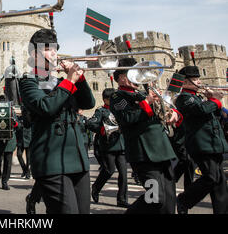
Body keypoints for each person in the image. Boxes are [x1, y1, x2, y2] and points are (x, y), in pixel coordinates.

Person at [19, 29, 95, 214]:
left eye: (55, 48)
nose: (54, 52)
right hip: (51, 159)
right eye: (47, 49)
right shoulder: (28, 81)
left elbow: (88, 103)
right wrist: (69, 81)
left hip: (78, 159)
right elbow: (46, 107)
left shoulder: (61, 81)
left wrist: (80, 79)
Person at [109, 58, 181, 214]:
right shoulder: (118, 97)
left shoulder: (143, 93)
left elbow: (165, 109)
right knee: (155, 198)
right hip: (144, 154)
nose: (139, 77)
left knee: (168, 203)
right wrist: (147, 103)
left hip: (162, 150)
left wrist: (173, 113)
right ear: (122, 77)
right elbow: (127, 118)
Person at [175, 65, 228, 214]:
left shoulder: (198, 97)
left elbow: (214, 116)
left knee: (220, 183)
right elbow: (200, 110)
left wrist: (215, 101)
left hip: (213, 143)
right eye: (194, 79)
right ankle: (184, 199)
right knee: (210, 177)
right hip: (201, 144)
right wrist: (214, 101)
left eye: (198, 78)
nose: (199, 82)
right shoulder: (183, 98)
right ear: (184, 82)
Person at [86, 88, 129, 208]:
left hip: (121, 144)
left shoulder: (120, 109)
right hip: (108, 146)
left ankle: (122, 199)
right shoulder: (101, 111)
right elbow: (91, 123)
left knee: (123, 174)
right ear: (106, 100)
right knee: (109, 170)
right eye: (112, 99)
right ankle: (96, 187)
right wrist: (102, 129)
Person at [0, 95, 19, 190]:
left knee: (8, 162)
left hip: (9, 140)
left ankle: (4, 181)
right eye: (1, 101)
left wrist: (14, 123)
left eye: (4, 101)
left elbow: (18, 125)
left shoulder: (12, 111)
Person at [16, 110, 31, 179]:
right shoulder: (19, 118)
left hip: (28, 139)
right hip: (20, 140)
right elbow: (17, 126)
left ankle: (28, 172)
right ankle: (24, 169)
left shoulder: (30, 118)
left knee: (28, 157)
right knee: (19, 155)